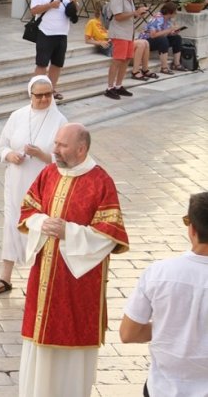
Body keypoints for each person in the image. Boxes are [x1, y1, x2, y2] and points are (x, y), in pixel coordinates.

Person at [18, 123, 129, 397]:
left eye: (62, 145)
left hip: (77, 285)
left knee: (71, 355)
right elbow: (28, 209)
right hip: (43, 279)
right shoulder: (48, 173)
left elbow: (110, 235)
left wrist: (69, 232)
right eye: (55, 143)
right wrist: (41, 222)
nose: (55, 150)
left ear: (81, 149)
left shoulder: (100, 182)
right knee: (38, 348)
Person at [120, 192, 208, 397]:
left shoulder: (159, 273)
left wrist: (170, 326)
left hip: (162, 389)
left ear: (192, 229)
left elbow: (128, 333)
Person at [0, 76, 67, 295]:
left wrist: (41, 154)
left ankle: (41, 277)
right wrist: (9, 155)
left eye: (48, 95)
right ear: (30, 95)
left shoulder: (60, 121)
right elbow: (2, 144)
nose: (44, 99)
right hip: (16, 181)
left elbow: (64, 157)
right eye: (39, 95)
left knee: (41, 227)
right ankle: (5, 277)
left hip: (44, 183)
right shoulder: (18, 116)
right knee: (12, 224)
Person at [30, 0, 79, 101]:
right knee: (42, 64)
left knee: (57, 64)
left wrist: (75, 3)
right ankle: (36, 91)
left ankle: (51, 90)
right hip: (45, 32)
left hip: (62, 33)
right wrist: (50, 5)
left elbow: (75, 9)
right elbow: (33, 10)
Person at [85, 1, 156, 81]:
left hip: (117, 39)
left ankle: (145, 69)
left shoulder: (109, 21)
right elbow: (87, 40)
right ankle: (135, 71)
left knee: (145, 42)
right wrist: (100, 42)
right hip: (109, 44)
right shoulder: (92, 22)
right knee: (141, 44)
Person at [105, 0, 149, 100]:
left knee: (126, 59)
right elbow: (118, 16)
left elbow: (127, 15)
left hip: (128, 33)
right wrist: (135, 12)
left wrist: (136, 14)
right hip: (119, 33)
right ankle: (110, 87)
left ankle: (118, 85)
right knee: (117, 60)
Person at [138, 1, 189, 75]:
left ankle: (176, 64)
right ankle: (164, 67)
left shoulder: (168, 19)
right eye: (175, 12)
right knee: (163, 40)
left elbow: (164, 32)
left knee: (177, 38)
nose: (176, 13)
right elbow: (153, 35)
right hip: (146, 41)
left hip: (158, 39)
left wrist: (172, 32)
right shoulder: (157, 18)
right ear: (170, 12)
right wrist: (169, 30)